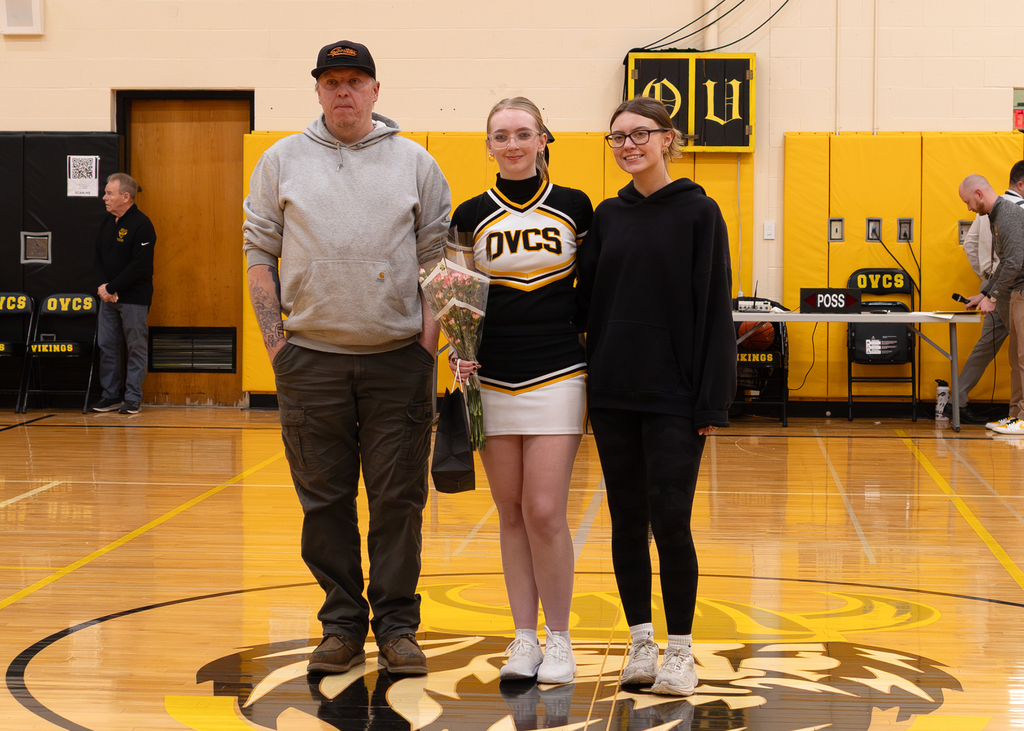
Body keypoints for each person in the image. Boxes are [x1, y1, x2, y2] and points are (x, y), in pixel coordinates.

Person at [242, 40, 451, 676]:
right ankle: (339, 626)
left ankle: (396, 627)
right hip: (310, 362)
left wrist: (426, 346)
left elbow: (439, 260)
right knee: (324, 502)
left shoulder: (416, 162)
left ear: (376, 90)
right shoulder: (281, 160)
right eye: (331, 82)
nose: (344, 92)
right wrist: (277, 344)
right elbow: (259, 255)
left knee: (398, 500)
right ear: (318, 91)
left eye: (355, 81)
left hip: (398, 362)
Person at [576, 97, 736, 696]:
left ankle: (680, 651)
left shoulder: (700, 212)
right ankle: (640, 642)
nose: (627, 146)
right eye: (616, 137)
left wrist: (711, 402)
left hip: (674, 395)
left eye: (640, 134)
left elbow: (714, 308)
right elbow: (584, 304)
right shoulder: (608, 217)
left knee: (671, 521)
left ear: (668, 139)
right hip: (614, 393)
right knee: (625, 522)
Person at [449, 97, 592, 684]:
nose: (511, 144)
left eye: (522, 134)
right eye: (500, 135)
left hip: (559, 369)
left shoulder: (577, 207)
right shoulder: (468, 213)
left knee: (544, 511)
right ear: (488, 145)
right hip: (488, 376)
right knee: (509, 513)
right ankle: (525, 638)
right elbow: (457, 293)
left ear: (542, 140)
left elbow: (597, 287)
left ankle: (560, 639)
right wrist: (459, 349)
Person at [953, 161, 1024, 424]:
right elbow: (1005, 262)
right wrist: (986, 294)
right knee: (1016, 359)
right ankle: (1016, 415)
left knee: (1020, 358)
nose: (969, 208)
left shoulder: (1007, 214)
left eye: (968, 202)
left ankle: (1021, 416)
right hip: (1009, 291)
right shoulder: (996, 214)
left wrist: (990, 294)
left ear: (979, 194)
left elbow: (1012, 261)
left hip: (1016, 291)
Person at [91, 173, 156, 416]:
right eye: (106, 192)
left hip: (133, 299)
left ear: (125, 197)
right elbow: (97, 256)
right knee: (107, 345)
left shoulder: (142, 224)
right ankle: (110, 396)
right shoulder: (107, 222)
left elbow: (140, 266)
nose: (104, 197)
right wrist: (103, 287)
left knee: (135, 347)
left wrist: (112, 287)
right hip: (108, 298)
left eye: (109, 193)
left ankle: (132, 398)